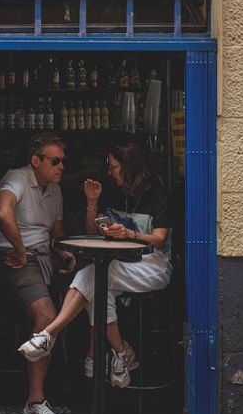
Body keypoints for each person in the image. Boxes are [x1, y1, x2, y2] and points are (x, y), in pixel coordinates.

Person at [19, 140, 172, 388]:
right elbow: (95, 230)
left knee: (95, 274)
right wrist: (92, 203)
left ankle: (49, 334)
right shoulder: (114, 190)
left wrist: (130, 234)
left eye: (113, 166)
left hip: (151, 264)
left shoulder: (157, 193)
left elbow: (159, 239)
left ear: (129, 166)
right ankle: (121, 353)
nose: (109, 171)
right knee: (96, 285)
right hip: (119, 263)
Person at [0, 133, 76, 414]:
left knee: (89, 284)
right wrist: (21, 250)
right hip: (12, 256)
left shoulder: (55, 191)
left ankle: (96, 364)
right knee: (47, 315)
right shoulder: (18, 178)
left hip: (41, 256)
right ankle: (35, 404)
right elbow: (3, 210)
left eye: (63, 161)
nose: (61, 166)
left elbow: (57, 231)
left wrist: (62, 250)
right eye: (55, 161)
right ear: (36, 161)